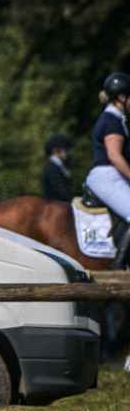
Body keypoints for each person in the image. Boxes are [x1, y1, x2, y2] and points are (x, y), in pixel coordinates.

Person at [85, 72, 130, 269]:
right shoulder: (111, 120)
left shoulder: (116, 119)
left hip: (111, 176)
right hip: (106, 176)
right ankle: (118, 270)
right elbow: (114, 156)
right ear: (122, 97)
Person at [41, 133, 73, 202]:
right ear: (56, 150)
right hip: (56, 205)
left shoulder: (57, 167)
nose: (68, 152)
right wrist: (73, 200)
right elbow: (62, 190)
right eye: (65, 149)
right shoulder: (52, 168)